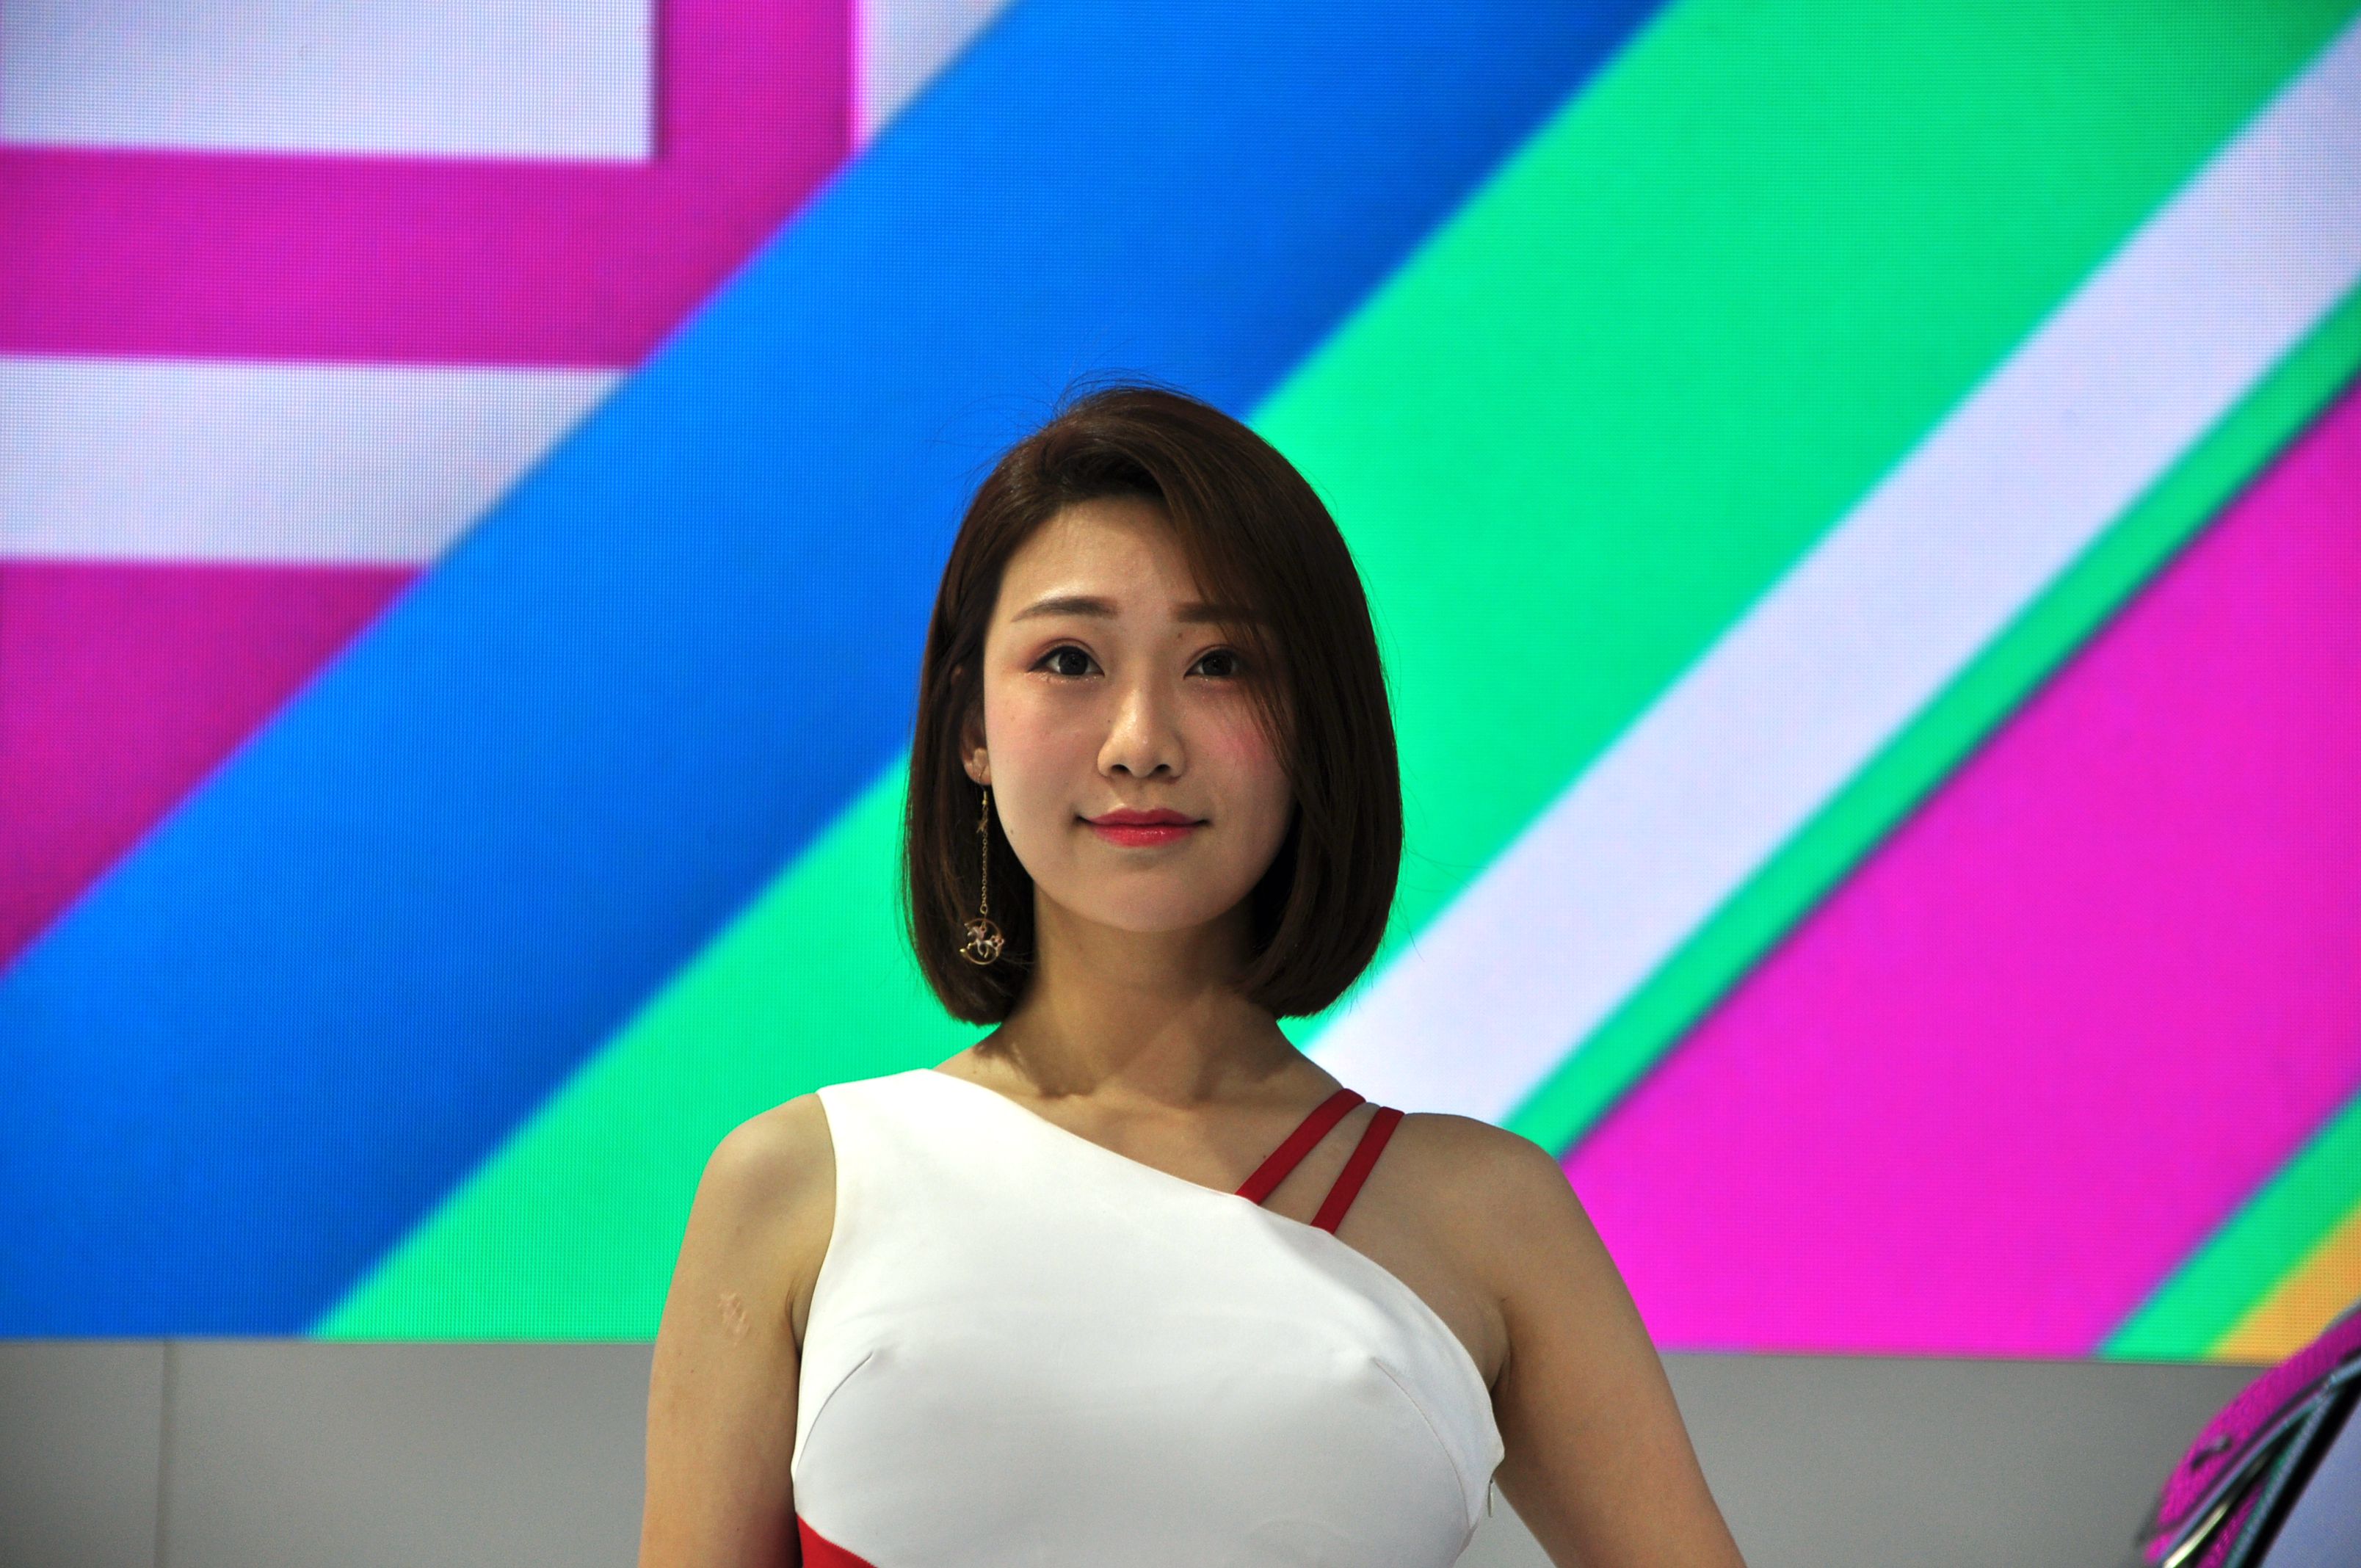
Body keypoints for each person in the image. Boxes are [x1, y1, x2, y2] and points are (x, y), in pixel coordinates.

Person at [639, 384, 1747, 1567]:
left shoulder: (1487, 1217)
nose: (1142, 743)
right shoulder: (796, 1188)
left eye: (1221, 663)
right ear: (971, 728)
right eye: (1069, 660)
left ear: (1314, 722)